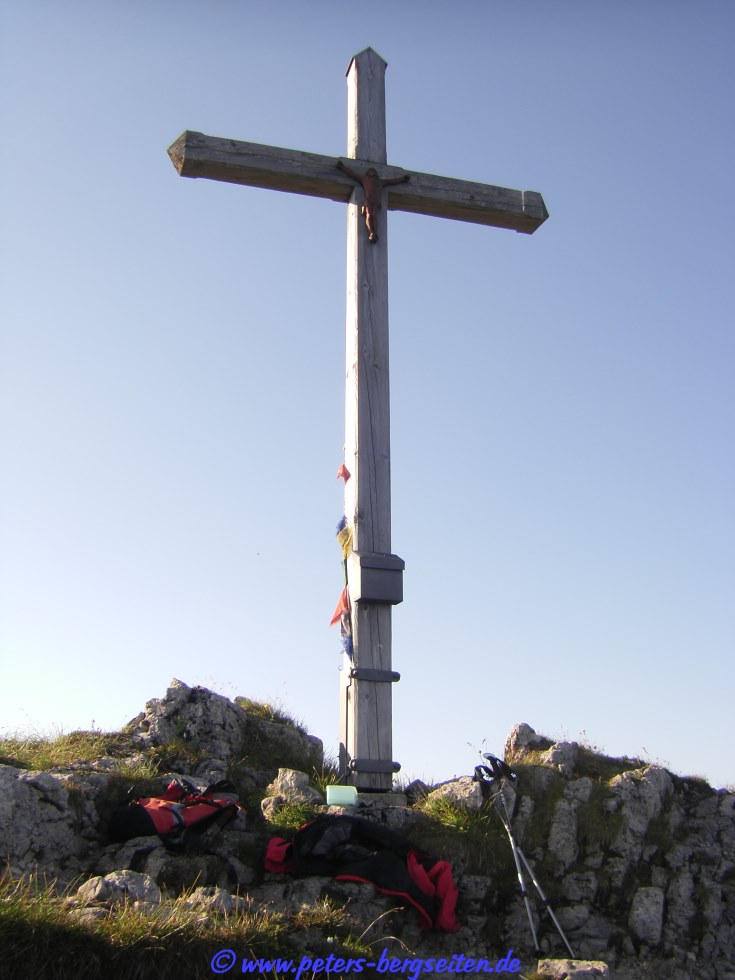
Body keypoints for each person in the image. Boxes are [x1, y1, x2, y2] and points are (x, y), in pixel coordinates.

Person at [337, 160, 409, 242]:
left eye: (374, 171)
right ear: (368, 173)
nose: (373, 172)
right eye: (371, 171)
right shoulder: (365, 180)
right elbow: (353, 174)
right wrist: (342, 167)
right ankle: (371, 232)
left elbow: (393, 181)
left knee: (374, 215)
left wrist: (403, 179)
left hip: (376, 202)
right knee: (369, 214)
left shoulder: (381, 182)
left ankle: (374, 232)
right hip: (368, 200)